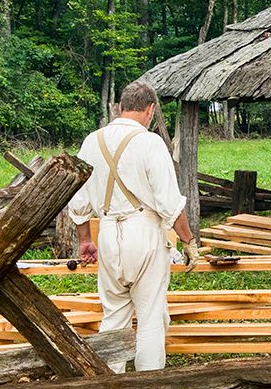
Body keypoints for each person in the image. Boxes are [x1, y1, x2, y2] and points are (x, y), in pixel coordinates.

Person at [67, 81, 199, 372]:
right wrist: (189, 242)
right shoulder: (150, 143)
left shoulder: (92, 142)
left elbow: (77, 201)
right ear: (150, 110)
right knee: (151, 316)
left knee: (113, 315)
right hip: (145, 233)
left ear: (119, 108)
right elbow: (169, 203)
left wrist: (85, 240)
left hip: (108, 232)